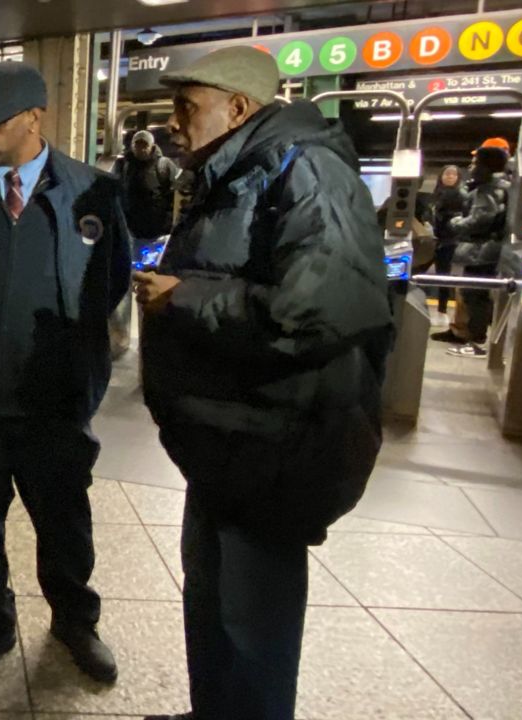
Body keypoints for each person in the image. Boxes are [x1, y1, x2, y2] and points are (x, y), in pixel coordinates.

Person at [132, 47, 393, 720]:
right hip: (225, 444)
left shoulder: (306, 170)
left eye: (188, 107)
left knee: (253, 626)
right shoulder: (231, 172)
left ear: (238, 108)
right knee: (210, 603)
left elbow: (320, 308)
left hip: (276, 449)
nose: (174, 122)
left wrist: (183, 298)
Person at [0, 60, 132, 685]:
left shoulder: (92, 191)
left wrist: (83, 362)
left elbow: (112, 281)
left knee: (64, 524)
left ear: (35, 117)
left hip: (55, 406)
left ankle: (74, 622)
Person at [431, 144, 510, 358]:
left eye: (475, 163)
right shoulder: (500, 185)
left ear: (486, 165)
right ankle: (476, 338)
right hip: (487, 249)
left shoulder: (488, 189)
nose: (471, 166)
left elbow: (480, 220)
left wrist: (457, 222)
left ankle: (477, 341)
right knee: (476, 294)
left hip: (481, 250)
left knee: (474, 294)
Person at [109, 130, 181, 357]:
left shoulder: (165, 166)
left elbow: (178, 196)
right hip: (129, 235)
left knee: (150, 288)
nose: (140, 149)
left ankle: (149, 342)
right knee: (125, 284)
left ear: (151, 146)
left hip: (156, 238)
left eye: (144, 145)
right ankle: (121, 339)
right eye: (137, 145)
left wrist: (171, 226)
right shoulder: (123, 167)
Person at [430, 165, 467, 321]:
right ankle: (441, 307)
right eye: (447, 174)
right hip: (438, 240)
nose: (450, 177)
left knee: (447, 275)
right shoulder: (437, 194)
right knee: (441, 274)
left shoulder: (460, 194)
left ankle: (445, 309)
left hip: (451, 240)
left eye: (453, 174)